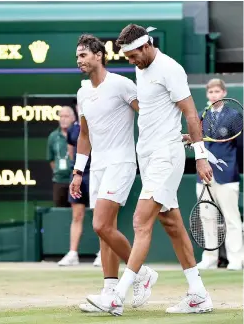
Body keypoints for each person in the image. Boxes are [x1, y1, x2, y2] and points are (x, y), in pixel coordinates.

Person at [86, 24, 214, 315]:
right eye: (127, 56)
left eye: (132, 55)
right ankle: (198, 294)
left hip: (164, 158)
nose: (130, 60)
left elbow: (191, 113)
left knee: (141, 221)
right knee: (172, 224)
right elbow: (161, 113)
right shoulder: (141, 68)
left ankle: (117, 296)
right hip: (150, 156)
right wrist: (174, 133)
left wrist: (201, 155)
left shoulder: (170, 68)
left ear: (146, 46)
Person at [70, 34, 158, 315]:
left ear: (99, 55)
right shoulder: (83, 92)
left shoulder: (122, 84)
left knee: (99, 225)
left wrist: (164, 138)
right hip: (97, 167)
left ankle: (141, 273)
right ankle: (109, 292)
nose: (79, 61)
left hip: (121, 163)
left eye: (83, 55)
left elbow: (146, 114)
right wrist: (77, 171)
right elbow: (84, 135)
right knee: (105, 232)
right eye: (77, 57)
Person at [194, 79, 243, 271]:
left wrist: (231, 166)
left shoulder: (234, 116)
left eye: (217, 91)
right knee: (207, 218)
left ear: (224, 93)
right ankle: (210, 259)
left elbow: (241, 146)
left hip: (227, 174)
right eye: (211, 92)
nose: (214, 95)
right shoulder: (200, 117)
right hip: (204, 176)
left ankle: (236, 259)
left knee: (232, 218)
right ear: (207, 95)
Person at [58, 106, 101, 267]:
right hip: (78, 176)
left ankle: (103, 253)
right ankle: (73, 253)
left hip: (97, 173)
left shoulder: (98, 124)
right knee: (77, 216)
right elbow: (72, 153)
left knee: (100, 216)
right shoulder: (73, 130)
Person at [47, 106, 75, 207]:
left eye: (66, 116)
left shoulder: (79, 134)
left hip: (76, 181)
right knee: (59, 212)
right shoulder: (53, 136)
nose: (63, 119)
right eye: (61, 116)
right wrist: (58, 172)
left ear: (73, 118)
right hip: (59, 182)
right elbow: (51, 159)